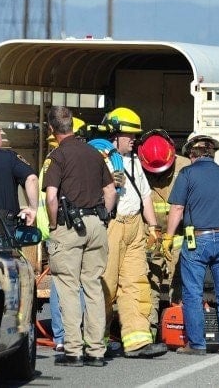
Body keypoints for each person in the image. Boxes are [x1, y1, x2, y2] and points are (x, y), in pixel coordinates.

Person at [43, 106, 117, 367]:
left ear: (51, 129)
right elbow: (111, 192)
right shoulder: (94, 153)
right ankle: (97, 350)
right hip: (96, 224)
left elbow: (51, 197)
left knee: (68, 287)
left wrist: (53, 226)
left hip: (69, 226)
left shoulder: (57, 157)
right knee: (94, 285)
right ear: (72, 125)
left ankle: (73, 350)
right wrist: (103, 218)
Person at [99, 108, 168, 358]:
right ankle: (97, 341)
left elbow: (145, 195)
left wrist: (153, 227)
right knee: (105, 283)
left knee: (136, 282)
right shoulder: (100, 158)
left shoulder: (134, 160)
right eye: (129, 135)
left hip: (135, 226)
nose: (133, 139)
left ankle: (137, 340)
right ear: (113, 134)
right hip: (112, 226)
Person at [162, 133, 219, 356]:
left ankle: (197, 345)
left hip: (198, 239)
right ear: (212, 153)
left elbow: (177, 208)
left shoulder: (187, 173)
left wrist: (168, 237)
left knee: (193, 293)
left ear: (191, 154)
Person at [38, 117, 88, 352]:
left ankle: (66, 335)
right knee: (66, 283)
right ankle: (64, 335)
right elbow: (52, 200)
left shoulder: (54, 160)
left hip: (55, 228)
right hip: (59, 228)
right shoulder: (58, 160)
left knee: (66, 282)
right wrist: (55, 225)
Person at [138, 129, 191, 330]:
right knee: (148, 282)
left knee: (180, 283)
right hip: (149, 234)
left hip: (178, 236)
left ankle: (178, 327)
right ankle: (148, 331)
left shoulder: (186, 167)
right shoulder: (136, 168)